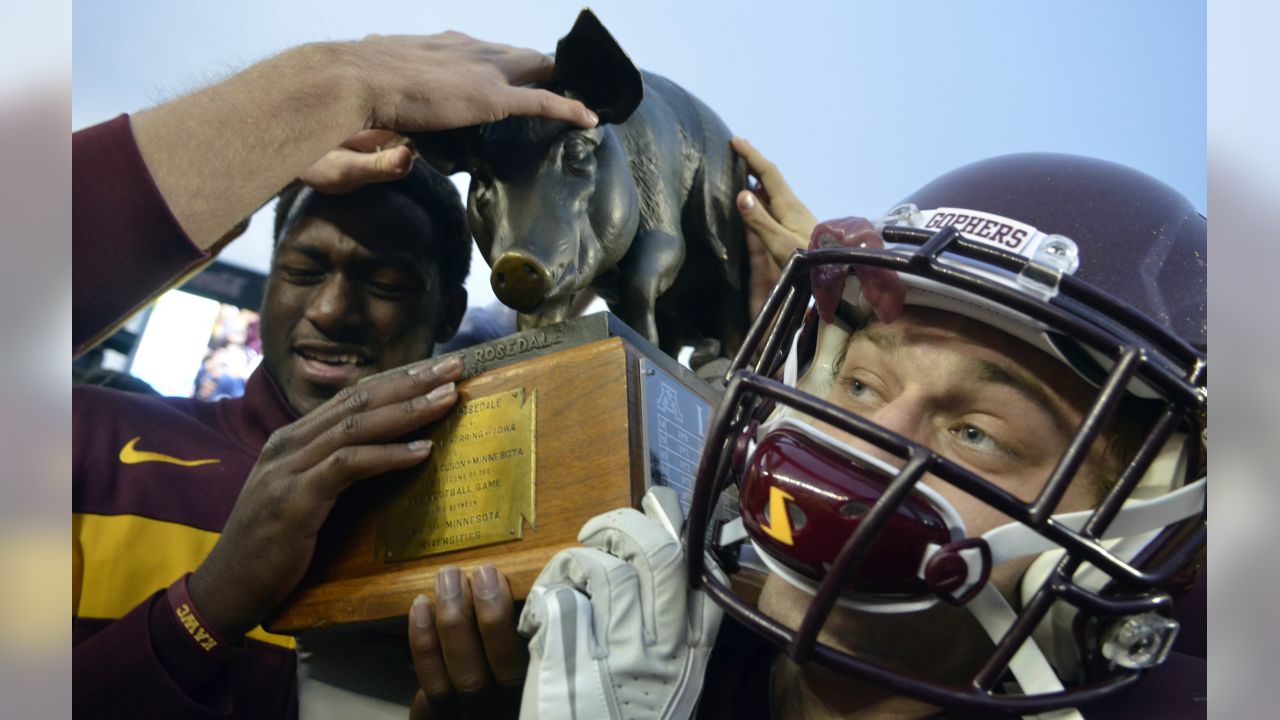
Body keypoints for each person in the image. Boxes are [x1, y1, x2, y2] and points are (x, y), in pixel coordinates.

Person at [513, 145, 1207, 719]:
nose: (865, 443)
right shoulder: (642, 656)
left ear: (1118, 540)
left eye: (975, 433)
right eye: (862, 384)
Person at [73, 31, 596, 719]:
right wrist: (206, 609)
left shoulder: (518, 513)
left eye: (384, 283)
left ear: (449, 310)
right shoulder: (85, 435)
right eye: (303, 270)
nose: (331, 309)